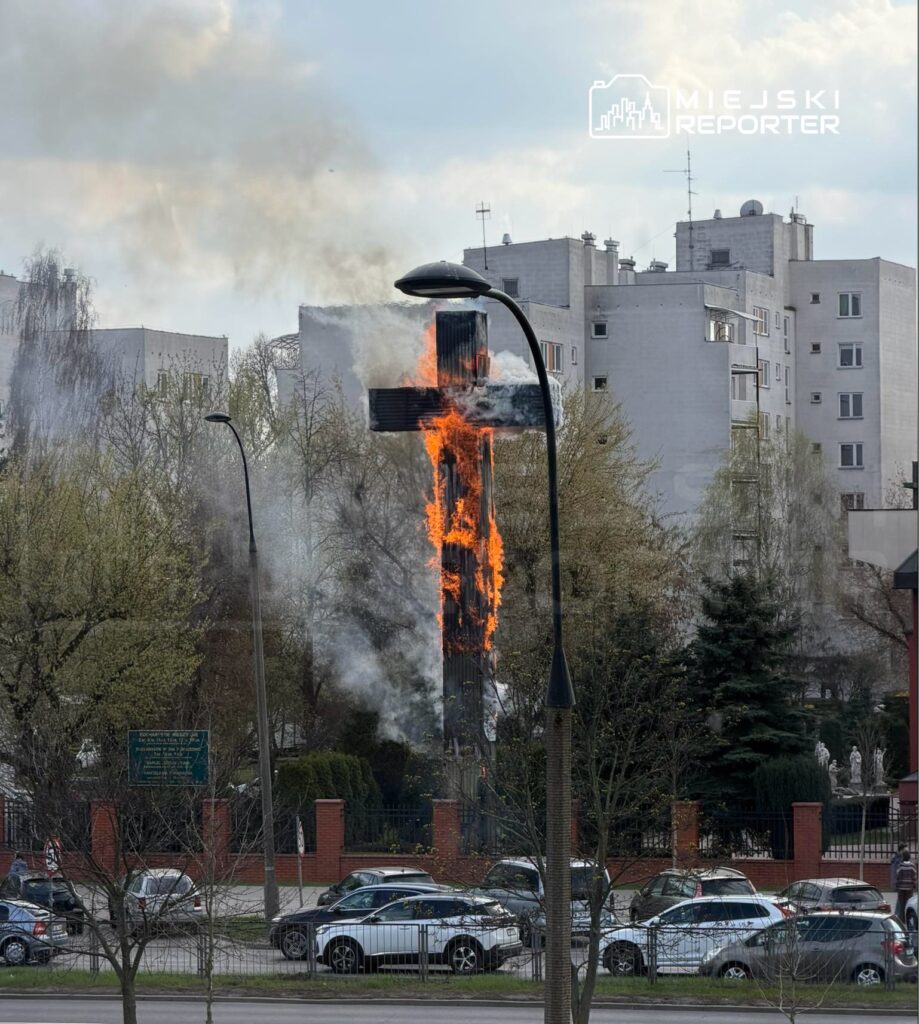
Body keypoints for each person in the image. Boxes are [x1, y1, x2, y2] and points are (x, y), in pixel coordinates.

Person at [895, 852, 917, 923]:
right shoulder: (912, 866)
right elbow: (914, 876)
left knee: (902, 904)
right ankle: (908, 919)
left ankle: (902, 920)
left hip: (901, 888)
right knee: (908, 903)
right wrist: (914, 884)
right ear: (909, 857)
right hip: (909, 888)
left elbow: (897, 875)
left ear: (903, 857)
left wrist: (897, 884)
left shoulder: (900, 865)